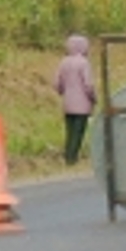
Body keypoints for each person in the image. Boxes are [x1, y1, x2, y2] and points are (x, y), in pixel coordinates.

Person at [53, 33, 96, 166]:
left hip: (68, 103)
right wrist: (93, 98)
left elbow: (56, 83)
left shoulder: (64, 62)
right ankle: (72, 158)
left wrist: (62, 91)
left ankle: (67, 155)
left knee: (70, 131)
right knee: (79, 132)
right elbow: (88, 84)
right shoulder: (84, 63)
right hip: (82, 105)